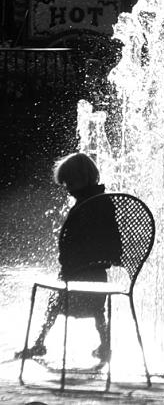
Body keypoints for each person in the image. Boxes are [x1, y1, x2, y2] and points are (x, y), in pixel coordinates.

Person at [15, 152, 121, 363]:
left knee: (53, 306)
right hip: (98, 278)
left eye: (69, 182)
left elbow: (73, 244)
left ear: (83, 179)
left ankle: (39, 342)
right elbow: (113, 246)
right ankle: (105, 345)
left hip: (76, 276)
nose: (67, 188)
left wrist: (72, 264)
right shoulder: (104, 202)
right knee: (98, 311)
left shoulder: (85, 206)